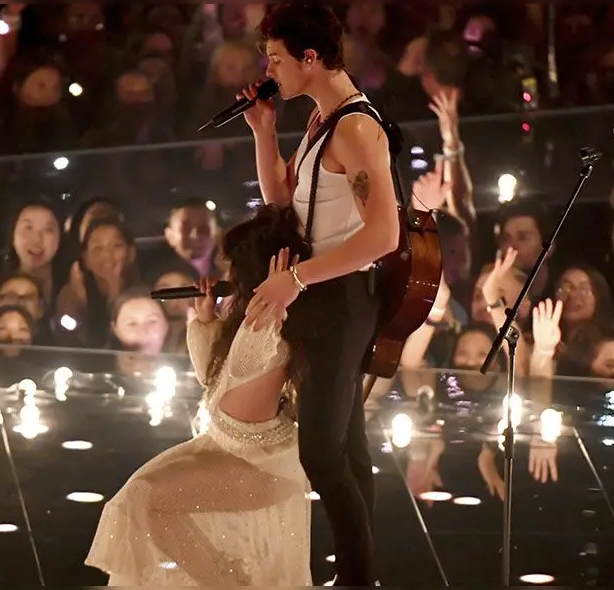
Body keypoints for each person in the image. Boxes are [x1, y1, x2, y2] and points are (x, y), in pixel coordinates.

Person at [239, 2, 401, 584]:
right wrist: (263, 131)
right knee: (348, 448)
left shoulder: (355, 127)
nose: (270, 71)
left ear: (310, 58)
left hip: (343, 295)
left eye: (277, 59)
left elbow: (384, 234)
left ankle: (358, 578)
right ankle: (359, 574)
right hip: (321, 292)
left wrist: (297, 278)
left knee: (323, 453)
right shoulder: (321, 119)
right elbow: (283, 201)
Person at [85, 205, 313, 586]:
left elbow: (245, 362)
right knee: (136, 499)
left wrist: (273, 298)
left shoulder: (269, 327)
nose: (228, 279)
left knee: (144, 499)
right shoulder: (246, 326)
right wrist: (206, 318)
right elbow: (215, 379)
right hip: (224, 449)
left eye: (234, 271)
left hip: (258, 463)